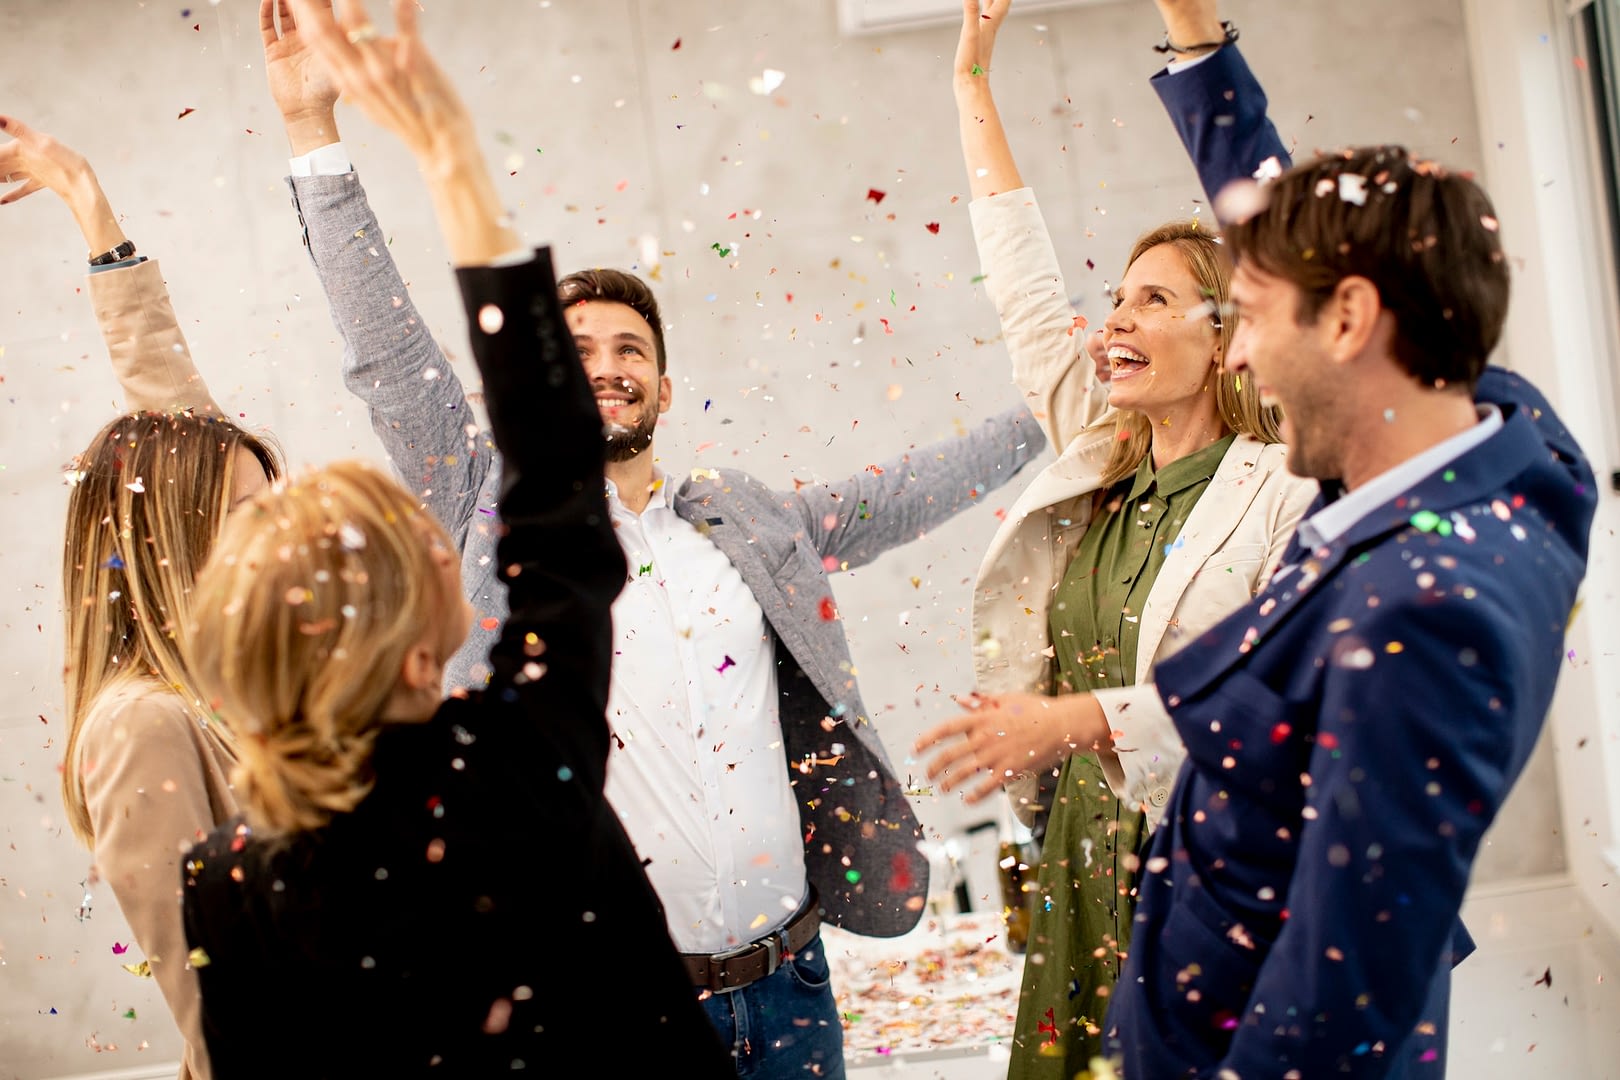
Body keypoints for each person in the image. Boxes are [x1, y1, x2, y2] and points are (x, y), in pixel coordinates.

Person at [252, 2, 1047, 1074]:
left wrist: (1064, 410)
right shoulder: (486, 503)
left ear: (664, 386)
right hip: (607, 1015)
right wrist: (313, 129)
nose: (608, 365)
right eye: (575, 348)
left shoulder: (751, 522)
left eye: (630, 348)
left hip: (796, 992)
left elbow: (909, 489)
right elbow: (386, 348)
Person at [178, 2, 731, 1075]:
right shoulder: (517, 768)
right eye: (420, 545)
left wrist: (315, 132)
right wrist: (450, 155)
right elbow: (555, 477)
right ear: (408, 639)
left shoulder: (230, 874)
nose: (451, 546)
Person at [1099, 3, 1598, 1076]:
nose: (1239, 359)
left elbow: (1341, 990)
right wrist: (1198, 43)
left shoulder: (1430, 605)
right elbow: (1309, 252)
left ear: (1350, 322)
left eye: (1254, 316)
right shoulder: (1478, 430)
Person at [912, 3, 1315, 1076]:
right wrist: (972, 86)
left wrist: (1071, 720)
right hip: (1084, 867)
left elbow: (1275, 707)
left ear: (1228, 337)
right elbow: (1025, 290)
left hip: (1223, 869)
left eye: (1152, 300)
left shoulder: (1285, 489)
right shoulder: (1096, 449)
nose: (1113, 322)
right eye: (1115, 300)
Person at [2, 115, 282, 1080]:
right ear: (170, 543)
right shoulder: (141, 731)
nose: (278, 534)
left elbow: (179, 427)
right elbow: (222, 1009)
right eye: (251, 515)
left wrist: (91, 209)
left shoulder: (240, 681)